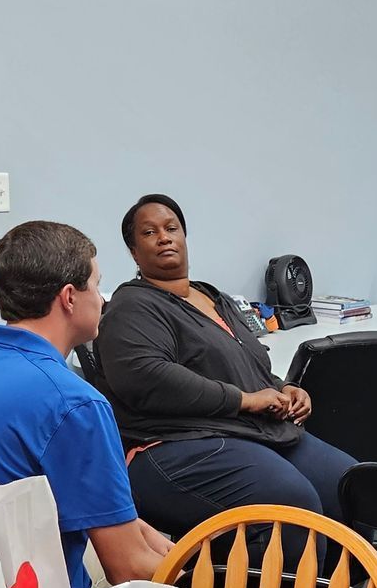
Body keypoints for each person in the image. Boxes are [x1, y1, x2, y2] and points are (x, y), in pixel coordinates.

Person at [0, 220, 171, 588]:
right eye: (96, 285)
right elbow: (127, 569)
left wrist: (126, 522)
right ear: (69, 297)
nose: (102, 298)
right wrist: (198, 568)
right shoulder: (74, 403)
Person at [96, 194, 356, 538]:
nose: (164, 237)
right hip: (177, 442)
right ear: (133, 251)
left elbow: (248, 363)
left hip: (250, 430)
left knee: (351, 486)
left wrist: (284, 389)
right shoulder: (132, 306)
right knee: (292, 505)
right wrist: (244, 400)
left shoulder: (213, 297)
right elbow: (148, 378)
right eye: (149, 232)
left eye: (171, 228)